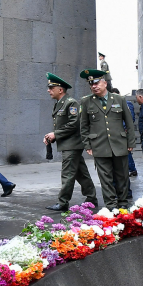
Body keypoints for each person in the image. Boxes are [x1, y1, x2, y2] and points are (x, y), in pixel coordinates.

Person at [78, 69, 134, 209]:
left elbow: (129, 123)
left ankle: (122, 202)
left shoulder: (119, 99)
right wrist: (87, 145)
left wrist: (130, 142)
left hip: (119, 144)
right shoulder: (86, 102)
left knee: (122, 176)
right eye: (91, 84)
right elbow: (83, 126)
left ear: (105, 83)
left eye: (96, 83)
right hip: (99, 145)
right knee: (105, 178)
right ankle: (110, 204)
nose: (93, 86)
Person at [44, 73, 97, 211]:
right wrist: (52, 135)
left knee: (67, 174)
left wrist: (55, 134)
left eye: (51, 88)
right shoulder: (59, 104)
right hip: (69, 144)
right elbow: (63, 125)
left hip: (72, 145)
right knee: (81, 173)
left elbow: (74, 124)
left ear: (60, 89)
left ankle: (63, 202)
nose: (48, 90)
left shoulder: (71, 103)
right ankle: (91, 198)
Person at [123, 95, 139, 177]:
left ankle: (132, 169)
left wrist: (125, 127)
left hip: (124, 132)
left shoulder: (126, 103)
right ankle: (131, 169)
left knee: (127, 151)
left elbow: (130, 118)